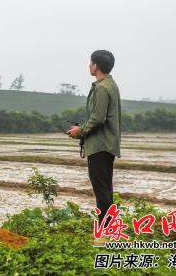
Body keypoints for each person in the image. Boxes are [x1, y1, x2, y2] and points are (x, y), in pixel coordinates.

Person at [67, 50, 121, 228]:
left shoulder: (101, 88)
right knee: (105, 187)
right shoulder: (110, 85)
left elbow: (98, 118)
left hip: (99, 145)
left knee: (101, 189)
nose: (89, 65)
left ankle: (105, 230)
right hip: (106, 144)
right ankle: (109, 227)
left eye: (91, 62)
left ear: (96, 65)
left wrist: (80, 131)